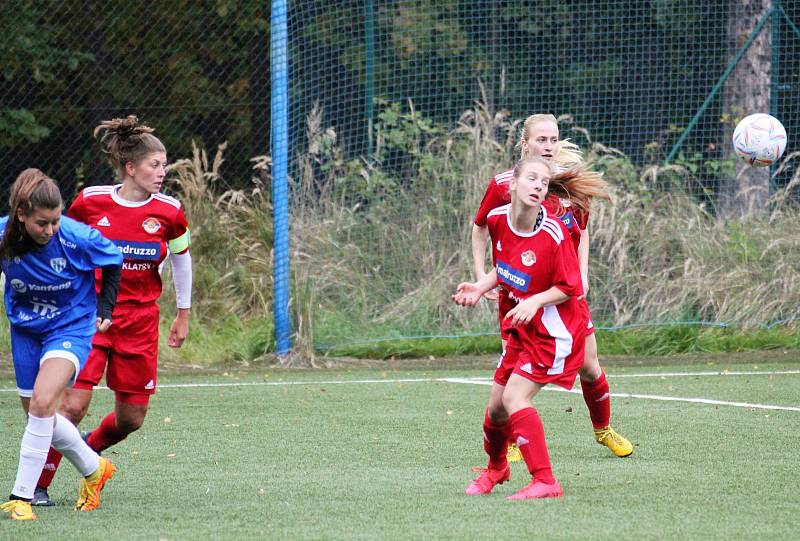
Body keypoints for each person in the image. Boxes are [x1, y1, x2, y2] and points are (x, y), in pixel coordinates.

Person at [32, 116, 192, 507]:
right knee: (71, 405)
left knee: (131, 419)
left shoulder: (170, 212)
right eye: (154, 165)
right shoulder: (91, 202)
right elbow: (62, 243)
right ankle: (38, 485)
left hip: (140, 321)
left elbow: (182, 261)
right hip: (91, 315)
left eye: (164, 164)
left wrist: (183, 313)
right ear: (130, 168)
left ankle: (88, 450)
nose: (161, 172)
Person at [471, 114, 632, 461]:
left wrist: (583, 274)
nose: (548, 146)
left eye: (553, 139)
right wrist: (482, 275)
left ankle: (603, 429)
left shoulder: (569, 185)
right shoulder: (506, 184)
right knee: (512, 372)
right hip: (519, 295)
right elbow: (481, 226)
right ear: (524, 144)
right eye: (541, 140)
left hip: (562, 295)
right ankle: (512, 443)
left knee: (590, 367)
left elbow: (583, 231)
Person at [454, 156, 587, 499]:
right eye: (531, 179)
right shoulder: (498, 220)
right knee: (495, 410)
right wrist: (481, 286)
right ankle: (497, 469)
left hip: (553, 332)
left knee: (515, 397)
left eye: (544, 183)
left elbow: (570, 287)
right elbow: (505, 266)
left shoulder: (554, 233)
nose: (539, 186)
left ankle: (546, 481)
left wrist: (535, 301)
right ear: (512, 185)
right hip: (521, 330)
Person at [0, 169, 122, 521]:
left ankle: (21, 496)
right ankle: (95, 468)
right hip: (25, 330)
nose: (51, 229)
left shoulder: (75, 236)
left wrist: (105, 308)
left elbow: (113, 259)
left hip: (70, 327)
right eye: (42, 223)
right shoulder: (5, 234)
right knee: (39, 415)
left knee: (41, 403)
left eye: (56, 220)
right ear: (21, 215)